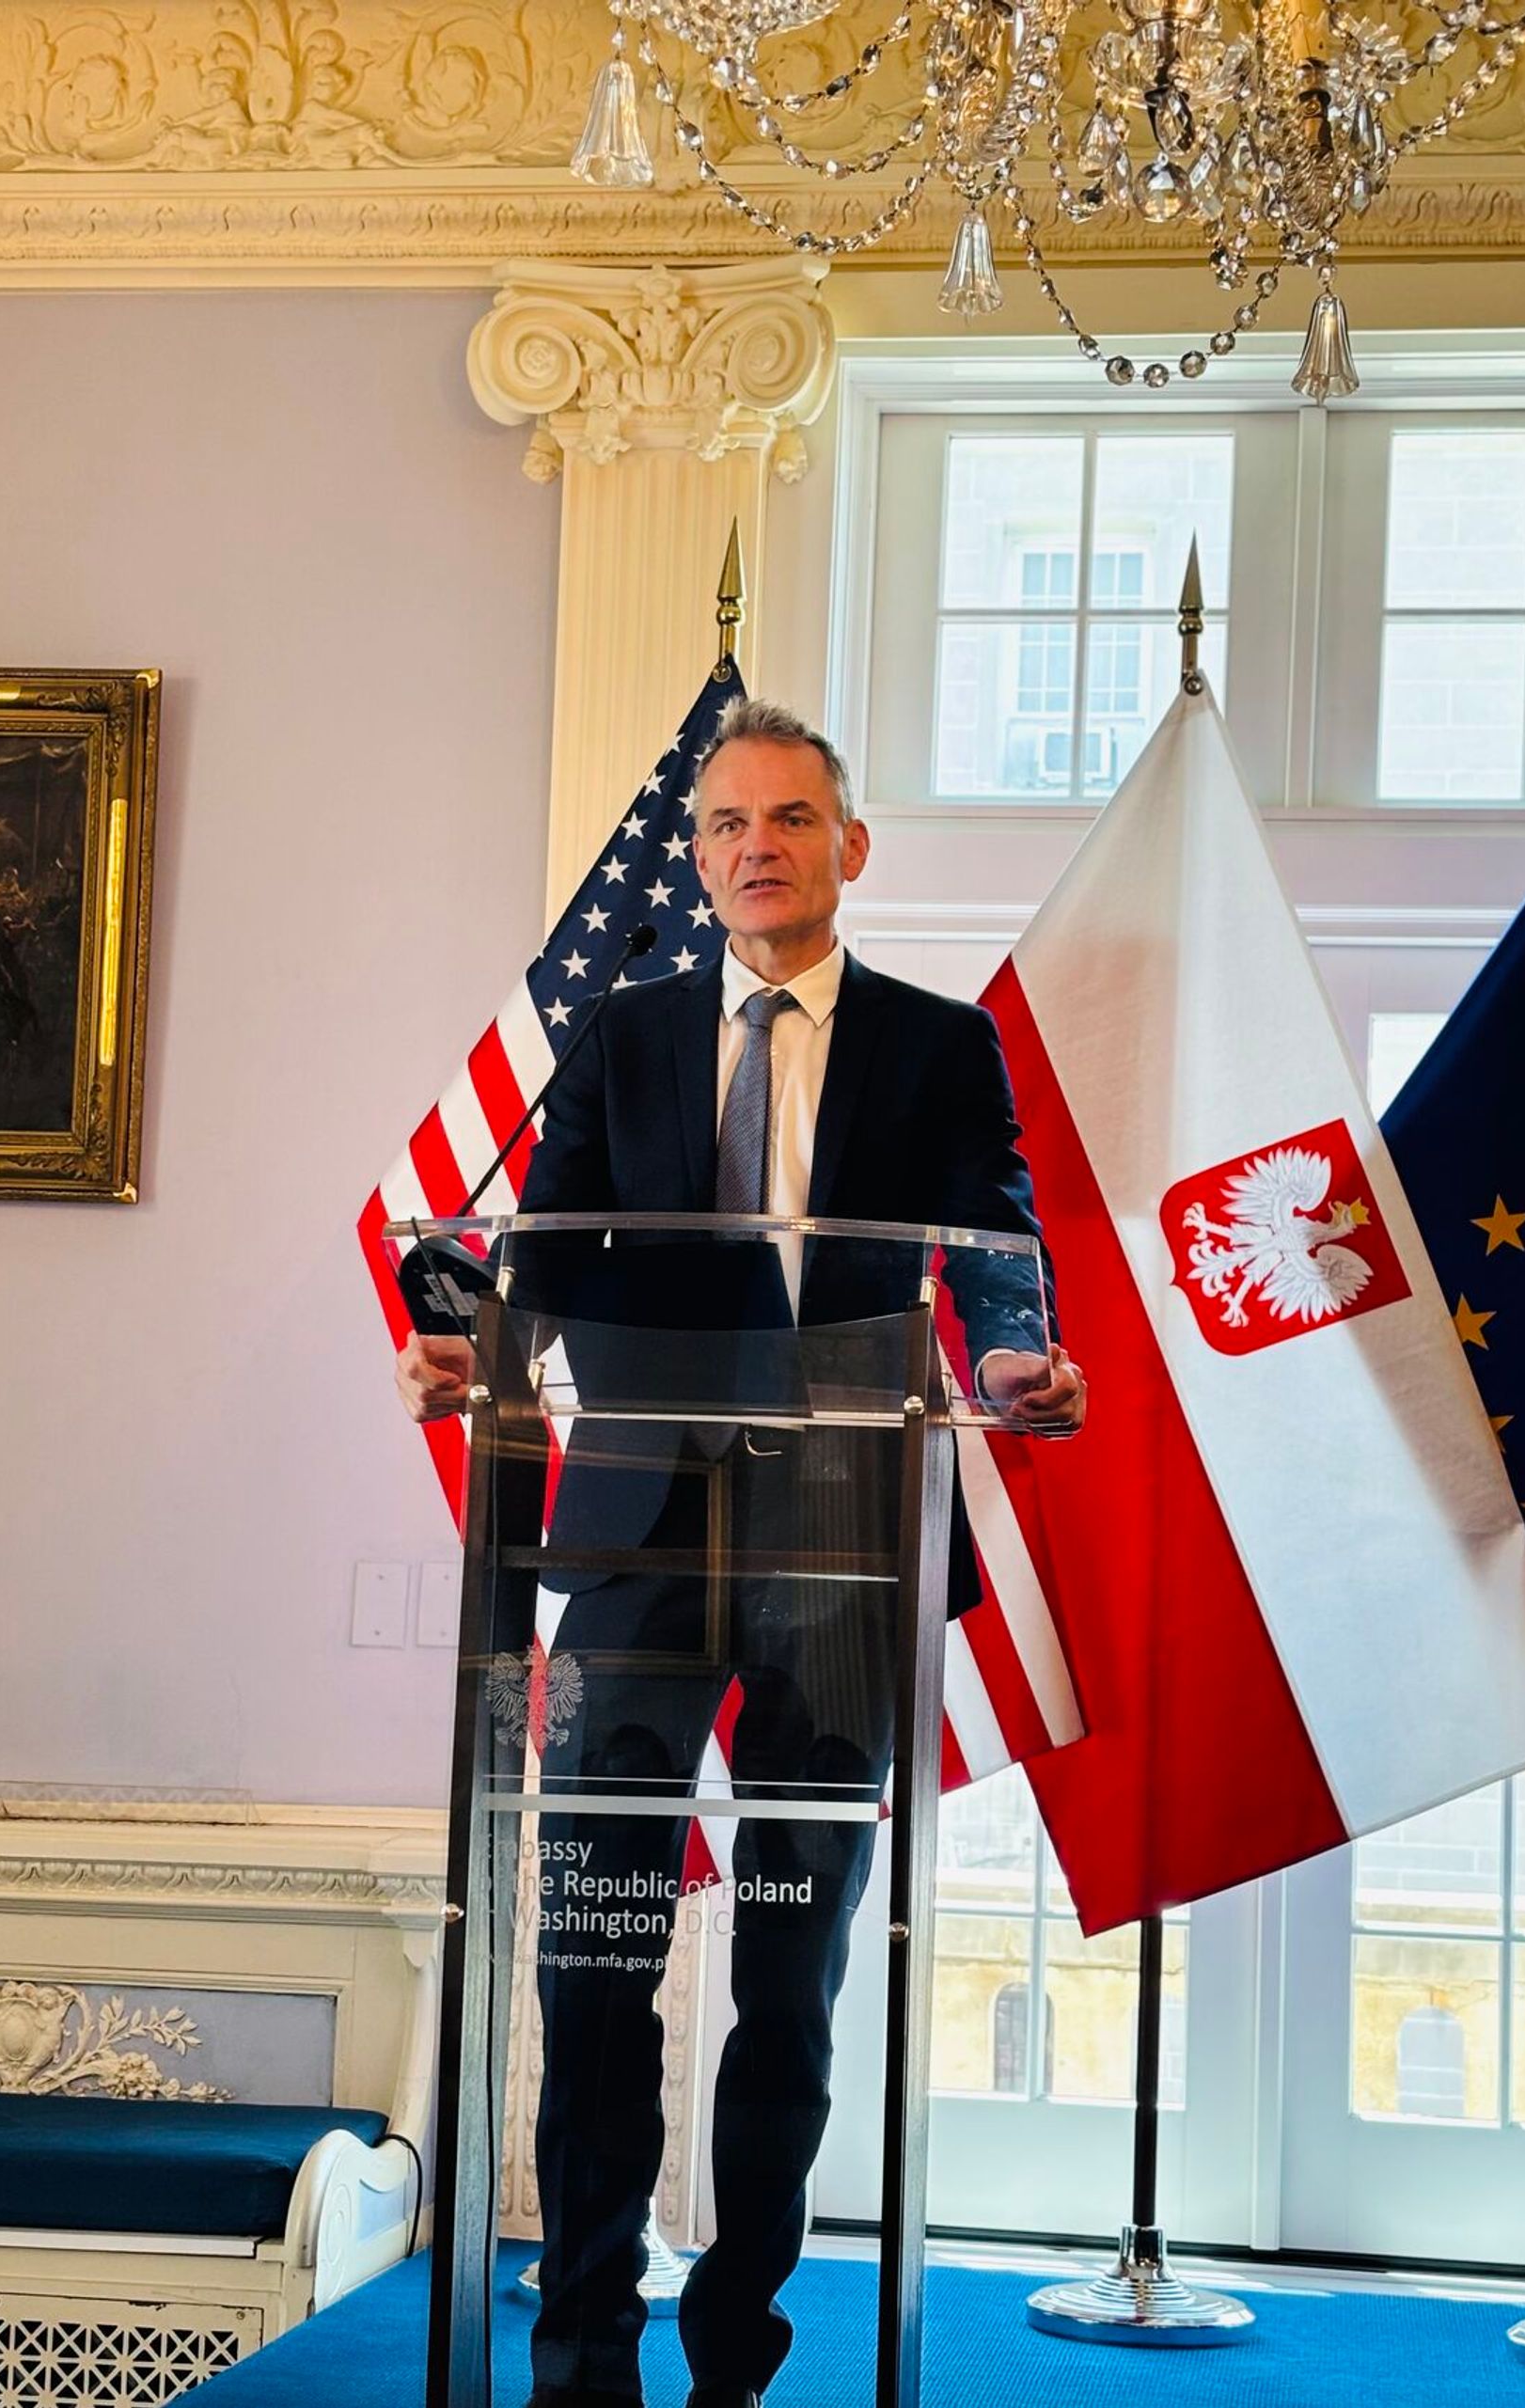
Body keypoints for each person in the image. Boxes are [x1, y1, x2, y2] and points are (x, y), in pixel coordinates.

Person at [398, 699, 1085, 2408]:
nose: (754, 846)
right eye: (725, 824)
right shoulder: (623, 1038)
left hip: (841, 1532)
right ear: (696, 857)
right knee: (594, 1957)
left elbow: (995, 1243)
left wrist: (1011, 1358)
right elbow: (542, 1244)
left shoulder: (936, 1045)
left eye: (789, 818)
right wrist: (469, 1348)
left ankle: (736, 2353)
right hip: (636, 1539)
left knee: (790, 1972)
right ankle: (581, 2354)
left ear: (849, 846)